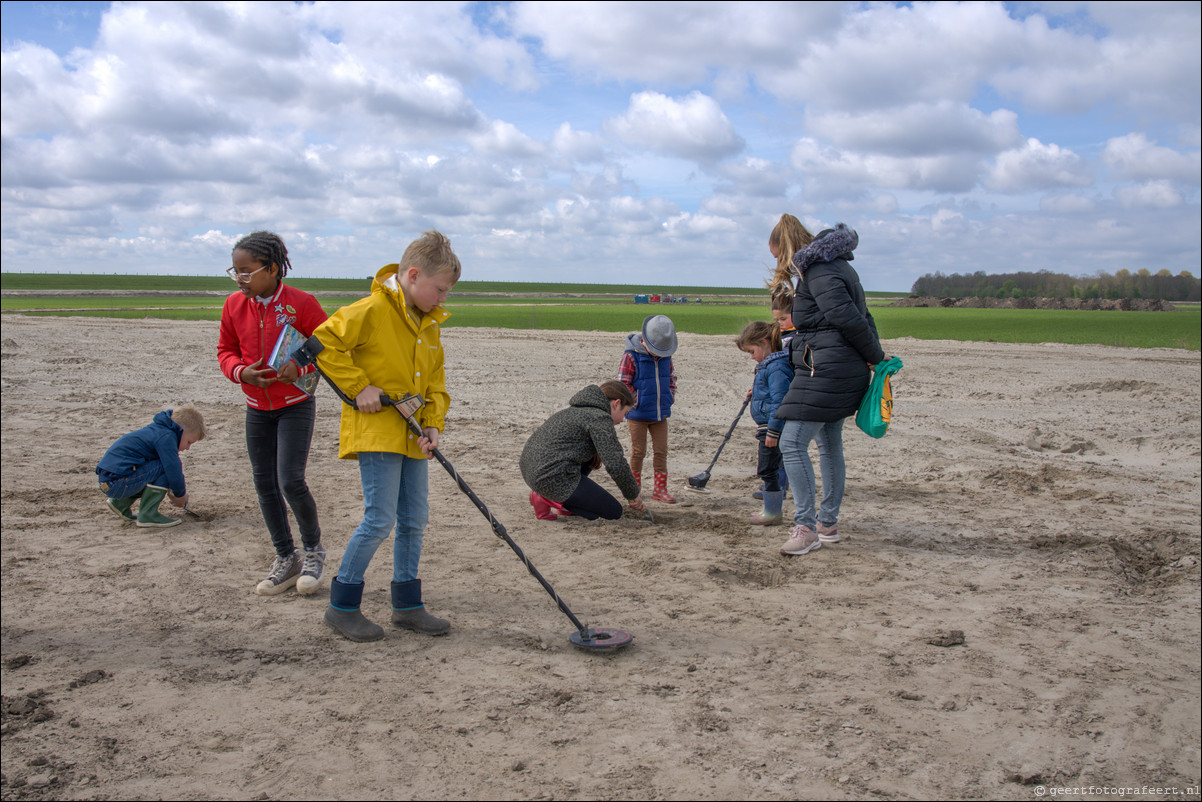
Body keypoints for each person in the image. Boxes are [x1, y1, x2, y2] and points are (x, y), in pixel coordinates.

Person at [308, 230, 460, 643]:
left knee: (414, 520)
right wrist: (360, 388)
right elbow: (322, 344)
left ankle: (407, 605)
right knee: (380, 519)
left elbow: (436, 382)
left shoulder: (429, 326)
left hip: (414, 436)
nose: (443, 299)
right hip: (377, 432)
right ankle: (342, 607)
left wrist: (434, 423)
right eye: (440, 290)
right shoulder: (371, 309)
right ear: (413, 275)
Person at [218, 231, 329, 597]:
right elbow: (225, 350)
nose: (240, 279)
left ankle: (313, 552)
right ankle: (286, 557)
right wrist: (241, 372)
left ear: (273, 268)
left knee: (290, 481)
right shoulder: (233, 305)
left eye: (247, 271)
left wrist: (298, 367)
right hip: (256, 408)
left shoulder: (302, 303)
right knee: (264, 484)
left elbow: (325, 345)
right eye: (235, 271)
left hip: (294, 406)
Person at [768, 214, 885, 556]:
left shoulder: (817, 270)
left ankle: (805, 527)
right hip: (838, 366)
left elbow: (847, 317)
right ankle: (827, 524)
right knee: (829, 443)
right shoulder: (833, 265)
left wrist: (875, 356)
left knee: (791, 442)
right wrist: (871, 355)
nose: (779, 264)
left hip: (827, 368)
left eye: (778, 256)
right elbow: (864, 316)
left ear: (787, 247)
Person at [520, 381, 646, 521]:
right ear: (616, 404)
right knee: (613, 512)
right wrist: (633, 495)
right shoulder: (599, 418)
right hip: (548, 476)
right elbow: (616, 463)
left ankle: (554, 500)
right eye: (625, 413)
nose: (623, 420)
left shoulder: (575, 410)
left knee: (591, 459)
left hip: (530, 469)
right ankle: (547, 498)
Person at [96, 407, 205, 528]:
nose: (188, 448)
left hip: (109, 481)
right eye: (189, 442)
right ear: (181, 430)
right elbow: (173, 469)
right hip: (118, 483)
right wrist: (180, 495)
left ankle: (120, 503)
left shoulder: (158, 430)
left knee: (158, 465)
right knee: (165, 466)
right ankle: (148, 515)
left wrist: (169, 488)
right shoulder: (166, 437)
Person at [736, 321, 793, 526]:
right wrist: (757, 393)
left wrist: (773, 431)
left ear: (765, 343)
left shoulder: (776, 367)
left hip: (771, 428)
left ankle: (772, 512)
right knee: (769, 468)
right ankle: (771, 509)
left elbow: (780, 400)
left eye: (752, 351)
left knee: (767, 469)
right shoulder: (770, 365)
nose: (752, 356)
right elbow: (772, 393)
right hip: (768, 426)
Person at [618, 314, 679, 503]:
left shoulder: (666, 357)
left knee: (661, 451)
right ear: (645, 340)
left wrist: (669, 397)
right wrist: (637, 401)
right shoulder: (631, 356)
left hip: (660, 414)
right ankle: (633, 490)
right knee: (638, 452)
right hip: (637, 415)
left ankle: (660, 490)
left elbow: (671, 379)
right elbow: (623, 383)